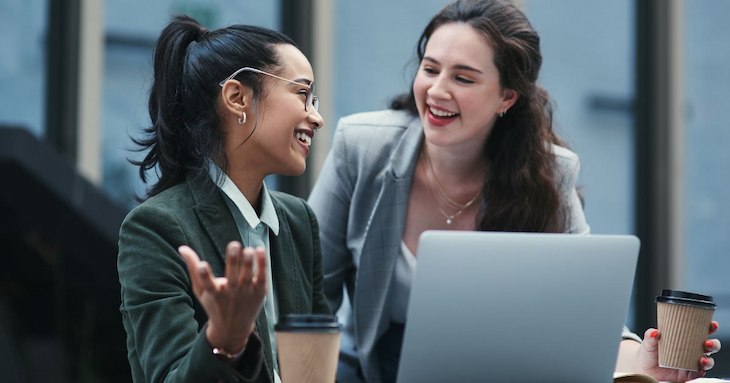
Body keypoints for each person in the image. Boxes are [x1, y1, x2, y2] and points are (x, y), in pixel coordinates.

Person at [307, 0, 720, 382]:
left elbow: (586, 316)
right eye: (430, 69)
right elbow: (307, 292)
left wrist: (642, 362)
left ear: (507, 96)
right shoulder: (361, 148)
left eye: (463, 77)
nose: (436, 91)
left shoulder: (549, 172)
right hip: (367, 371)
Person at [117, 15, 329, 382]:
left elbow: (315, 372)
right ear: (236, 97)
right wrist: (224, 340)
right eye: (302, 94)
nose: (317, 117)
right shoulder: (155, 228)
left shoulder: (299, 221)